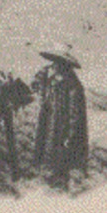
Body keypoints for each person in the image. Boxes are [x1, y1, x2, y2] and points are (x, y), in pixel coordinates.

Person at [33, 49, 89, 186]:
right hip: (48, 119)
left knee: (61, 155)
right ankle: (47, 175)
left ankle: (58, 181)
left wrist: (70, 136)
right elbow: (35, 84)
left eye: (59, 63)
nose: (55, 66)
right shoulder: (47, 72)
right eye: (55, 62)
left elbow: (75, 115)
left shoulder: (73, 85)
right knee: (45, 147)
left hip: (62, 125)